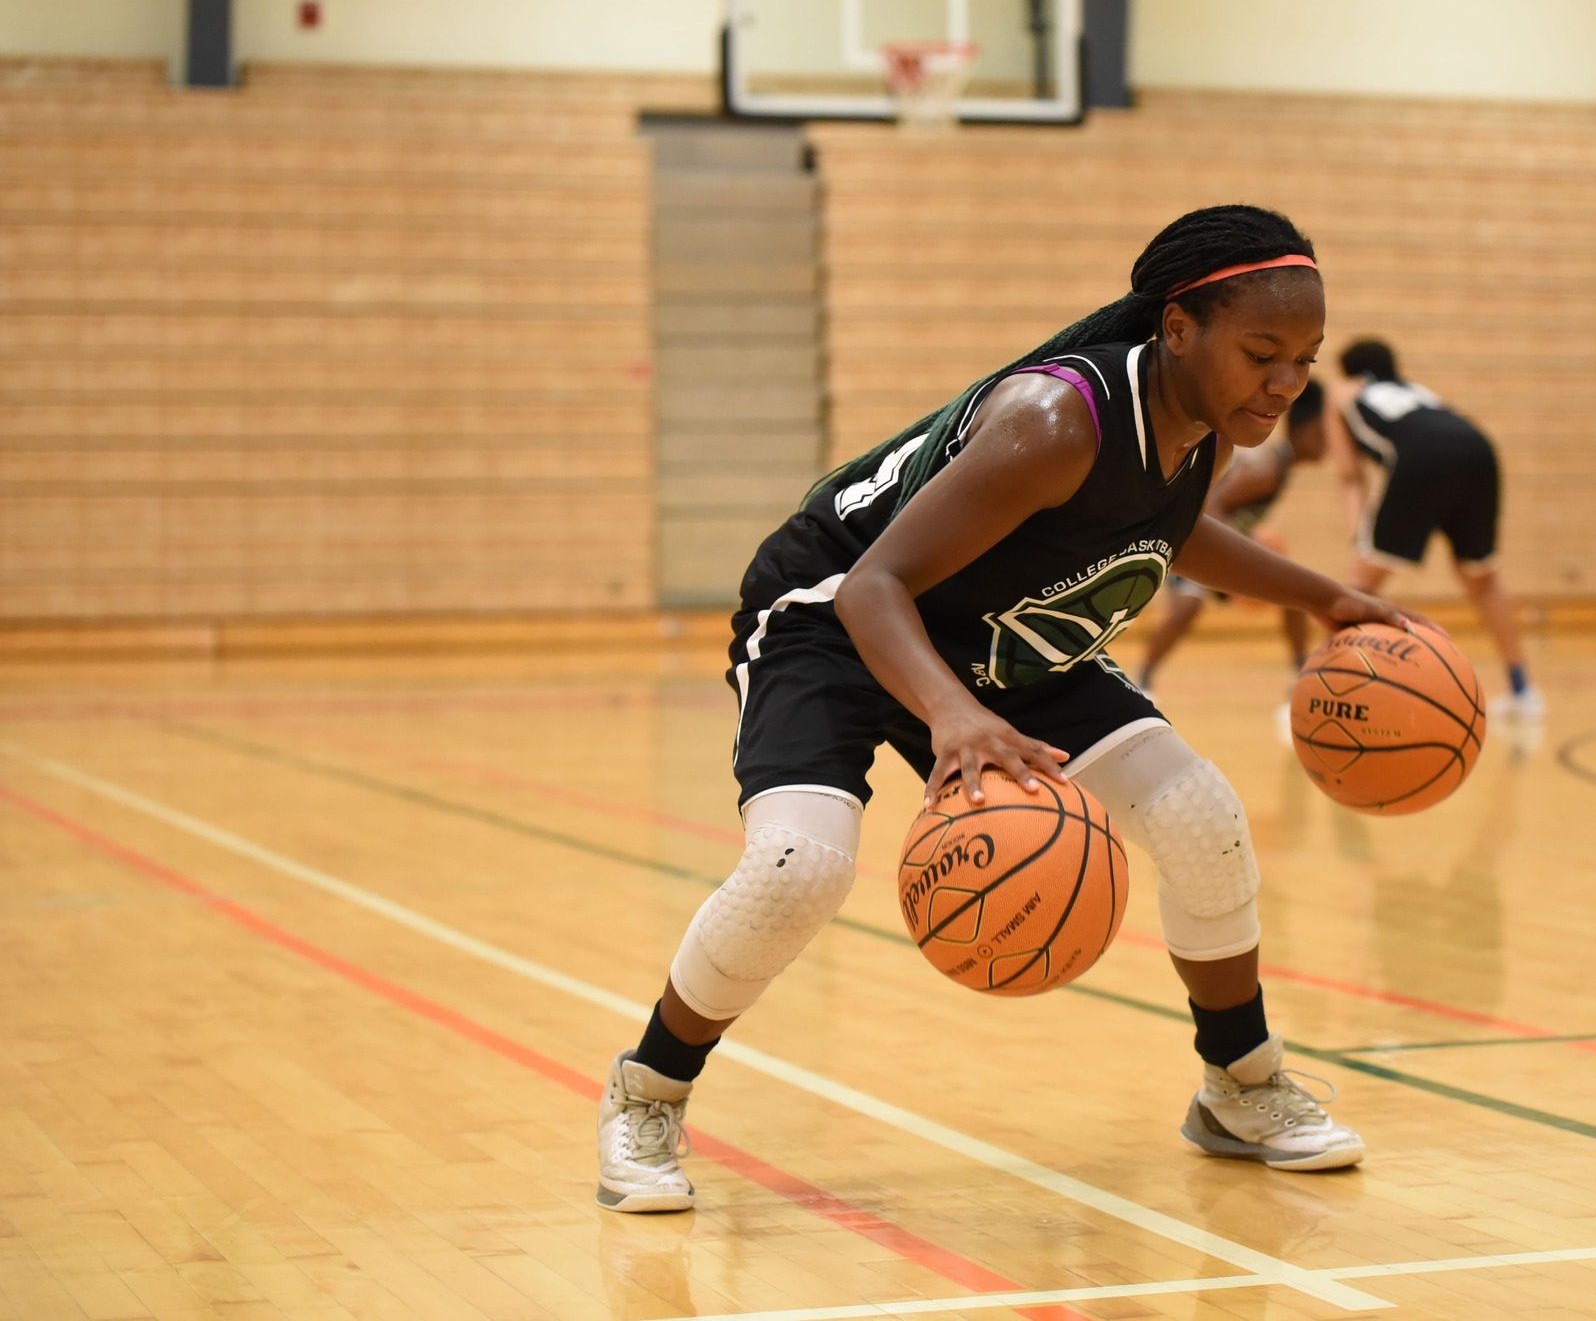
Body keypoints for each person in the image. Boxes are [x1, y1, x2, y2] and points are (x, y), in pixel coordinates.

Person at [596, 206, 1433, 1212]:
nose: (1286, 383)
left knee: (1199, 817)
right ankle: (646, 1091)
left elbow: (1173, 532)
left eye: (1305, 358)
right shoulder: (1056, 420)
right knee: (798, 864)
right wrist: (952, 717)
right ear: (1176, 328)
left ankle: (1239, 1083)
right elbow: (873, 589)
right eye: (1262, 352)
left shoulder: (1202, 424)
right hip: (834, 611)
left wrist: (1321, 595)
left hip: (994, 625)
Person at [1329, 338, 1543, 720]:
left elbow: (1350, 476)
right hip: (1478, 449)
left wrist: (1359, 534)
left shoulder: (1342, 393)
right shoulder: (1416, 391)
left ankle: (1330, 693)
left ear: (1349, 370)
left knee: (1359, 586)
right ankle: (1524, 692)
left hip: (1424, 456)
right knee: (1482, 579)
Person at [1135, 381, 1327, 692]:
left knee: (1294, 593)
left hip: (1206, 532)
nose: (1329, 444)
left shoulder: (1278, 466)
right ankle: (1141, 678)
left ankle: (1300, 673)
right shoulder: (1267, 470)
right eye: (1324, 433)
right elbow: (1211, 503)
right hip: (1186, 532)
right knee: (1188, 606)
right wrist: (1234, 559)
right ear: (1309, 430)